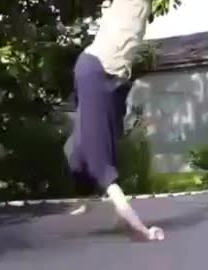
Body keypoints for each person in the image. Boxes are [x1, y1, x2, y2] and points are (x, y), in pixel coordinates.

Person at [64, 0, 164, 241]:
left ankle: (85, 195)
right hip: (98, 73)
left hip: (108, 77)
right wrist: (142, 229)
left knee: (79, 151)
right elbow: (103, 170)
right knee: (96, 157)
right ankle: (113, 211)